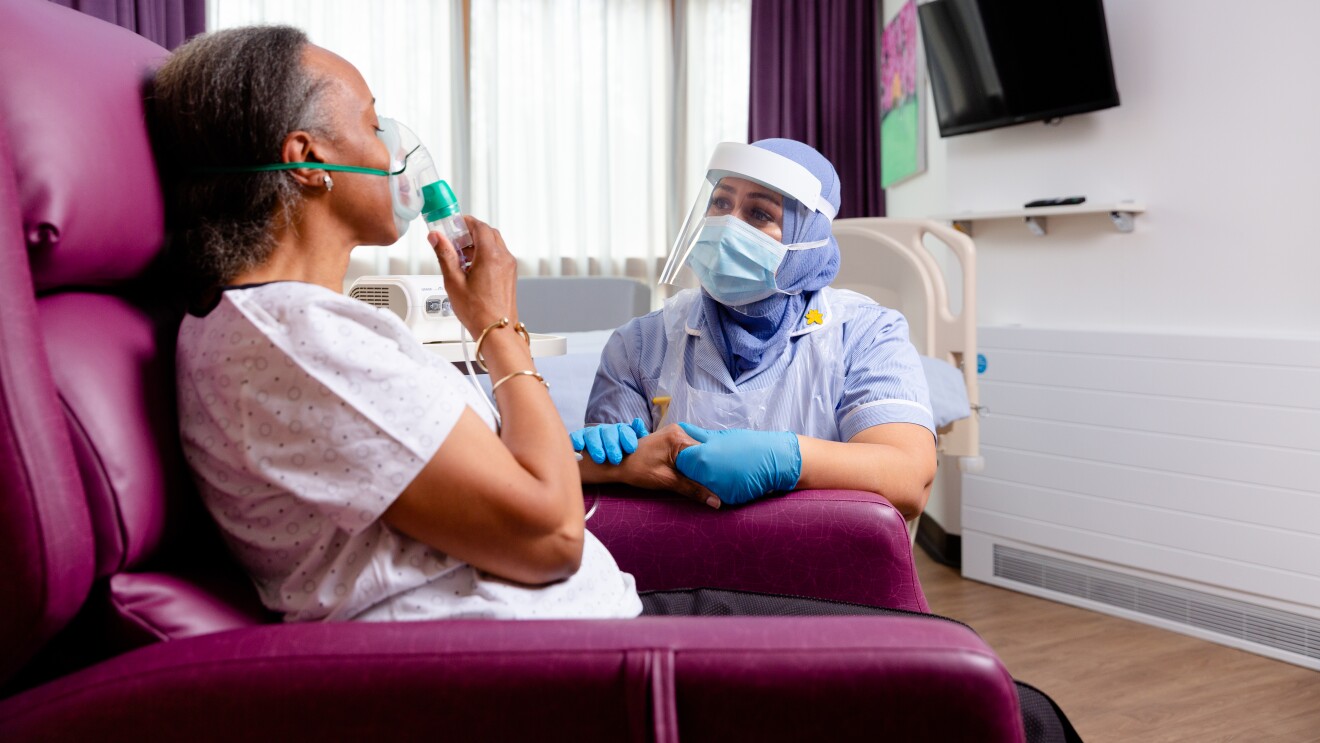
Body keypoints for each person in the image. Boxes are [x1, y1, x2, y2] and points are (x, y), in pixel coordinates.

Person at [151, 26, 640, 622]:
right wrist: (500, 329)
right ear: (307, 160)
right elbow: (553, 539)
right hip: (529, 670)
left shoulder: (304, 324)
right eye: (374, 124)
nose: (393, 149)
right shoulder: (297, 339)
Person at [572, 140, 937, 520]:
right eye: (721, 203)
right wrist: (604, 466)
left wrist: (785, 459)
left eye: (760, 213)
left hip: (815, 569)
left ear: (807, 240)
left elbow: (908, 479)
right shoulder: (639, 343)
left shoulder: (865, 333)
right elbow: (607, 510)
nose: (728, 225)